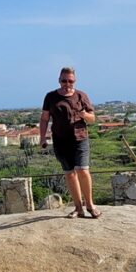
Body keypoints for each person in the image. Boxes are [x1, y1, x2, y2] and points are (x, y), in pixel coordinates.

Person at [39, 67, 100, 219]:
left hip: (80, 139)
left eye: (70, 81)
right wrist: (42, 137)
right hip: (60, 140)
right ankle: (78, 208)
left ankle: (90, 205)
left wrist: (84, 114)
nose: (67, 83)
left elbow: (93, 118)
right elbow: (45, 118)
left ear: (75, 81)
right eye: (64, 80)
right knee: (70, 174)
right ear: (59, 80)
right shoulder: (51, 97)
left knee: (82, 170)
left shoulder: (81, 96)